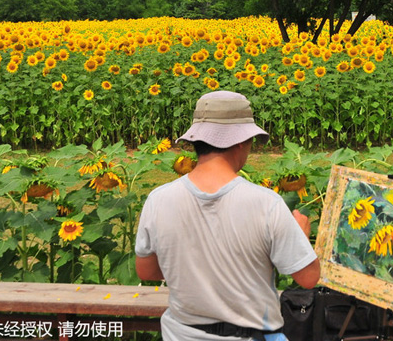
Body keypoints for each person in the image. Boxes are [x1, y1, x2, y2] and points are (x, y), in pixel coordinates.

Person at [135, 90, 320, 341]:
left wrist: (194, 267)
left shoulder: (159, 199)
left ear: (197, 141)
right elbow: (308, 278)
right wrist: (298, 235)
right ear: (242, 142)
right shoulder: (266, 204)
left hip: (181, 334)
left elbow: (146, 271)